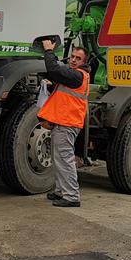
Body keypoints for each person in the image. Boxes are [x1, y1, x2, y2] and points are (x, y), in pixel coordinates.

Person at [37, 39, 89, 207]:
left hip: (67, 123)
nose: (73, 60)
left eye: (78, 58)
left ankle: (72, 196)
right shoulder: (75, 76)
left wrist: (49, 51)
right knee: (58, 159)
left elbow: (53, 69)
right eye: (72, 57)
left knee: (64, 160)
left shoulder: (77, 75)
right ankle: (61, 191)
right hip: (64, 122)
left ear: (84, 62)